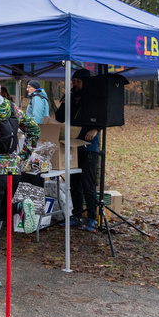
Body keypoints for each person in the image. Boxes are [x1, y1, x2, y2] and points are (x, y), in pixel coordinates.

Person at [0, 68, 40, 287]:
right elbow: (34, 130)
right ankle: (20, 206)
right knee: (4, 211)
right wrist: (22, 157)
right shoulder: (12, 107)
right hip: (14, 171)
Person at [55, 68, 100, 233]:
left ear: (86, 82)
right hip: (72, 145)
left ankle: (92, 218)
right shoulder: (71, 97)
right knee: (74, 182)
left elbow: (103, 117)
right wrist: (65, 103)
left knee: (88, 183)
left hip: (89, 146)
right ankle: (76, 215)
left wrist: (96, 129)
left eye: (78, 82)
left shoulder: (94, 98)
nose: (75, 84)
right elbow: (59, 117)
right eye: (73, 81)